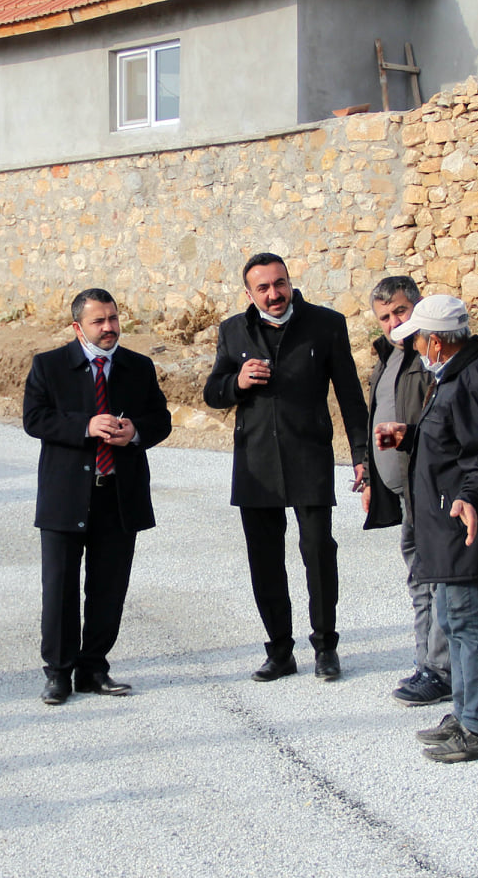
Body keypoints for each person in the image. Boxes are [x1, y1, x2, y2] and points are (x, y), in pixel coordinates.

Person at [373, 295, 478, 763]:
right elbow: (454, 436)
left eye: (419, 340)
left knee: (467, 621)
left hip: (459, 520)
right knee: (452, 618)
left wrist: (470, 498)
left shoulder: (474, 376)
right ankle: (466, 715)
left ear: (437, 342)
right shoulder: (459, 371)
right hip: (446, 520)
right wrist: (411, 436)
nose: (415, 348)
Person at [203, 253, 369, 682]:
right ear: (249, 294)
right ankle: (279, 651)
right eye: (263, 288)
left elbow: (350, 395)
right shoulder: (233, 330)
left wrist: (362, 455)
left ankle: (326, 647)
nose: (274, 293)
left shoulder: (326, 324)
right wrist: (237, 382)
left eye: (280, 283)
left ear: (290, 282)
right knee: (264, 560)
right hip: (256, 464)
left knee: (319, 552)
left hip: (309, 457)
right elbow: (213, 393)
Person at [24, 288, 174, 705]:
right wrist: (85, 426)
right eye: (98, 321)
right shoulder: (49, 365)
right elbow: (34, 419)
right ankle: (58, 672)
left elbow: (161, 419)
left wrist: (136, 431)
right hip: (66, 495)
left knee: (108, 589)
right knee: (59, 589)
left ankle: (93, 668)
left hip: (118, 496)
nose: (109, 327)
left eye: (113, 318)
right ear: (78, 327)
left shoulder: (138, 367)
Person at [360, 276, 451, 707]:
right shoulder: (388, 356)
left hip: (431, 490)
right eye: (385, 317)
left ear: (418, 305)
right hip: (405, 494)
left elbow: (442, 422)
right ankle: (426, 665)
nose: (394, 322)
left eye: (400, 311)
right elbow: (378, 417)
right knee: (420, 581)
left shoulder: (431, 355)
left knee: (437, 582)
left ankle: (441, 671)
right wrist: (371, 477)